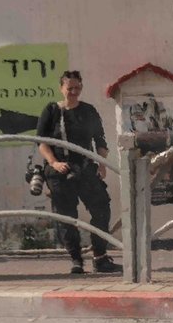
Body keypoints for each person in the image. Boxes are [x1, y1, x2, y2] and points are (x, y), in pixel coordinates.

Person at [36, 70, 121, 274]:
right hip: (59, 170)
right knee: (66, 216)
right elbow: (42, 142)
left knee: (101, 207)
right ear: (61, 88)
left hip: (84, 168)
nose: (73, 92)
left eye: (77, 88)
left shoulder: (88, 111)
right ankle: (76, 259)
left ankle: (100, 256)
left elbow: (100, 141)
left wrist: (101, 164)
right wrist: (54, 163)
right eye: (69, 88)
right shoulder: (51, 110)